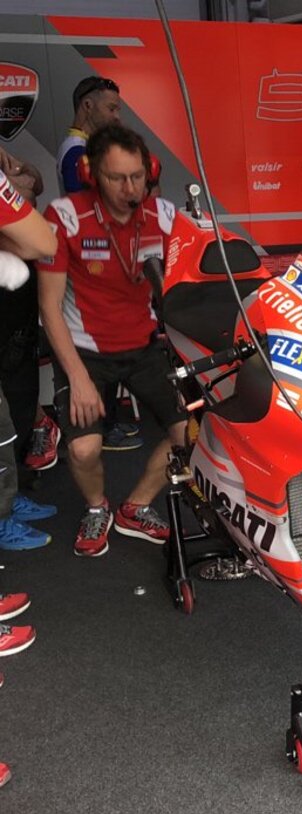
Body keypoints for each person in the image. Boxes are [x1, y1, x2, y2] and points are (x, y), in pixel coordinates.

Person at [37, 124, 188, 558]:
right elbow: (49, 307)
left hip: (143, 346)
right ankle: (97, 507)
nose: (130, 189)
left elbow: (192, 279)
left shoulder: (163, 216)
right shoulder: (64, 216)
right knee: (84, 449)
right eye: (116, 178)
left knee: (192, 434)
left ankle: (135, 507)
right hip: (84, 352)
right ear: (91, 174)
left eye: (137, 176)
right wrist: (78, 378)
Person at [56, 75, 141, 455]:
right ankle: (100, 427)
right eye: (112, 108)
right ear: (87, 106)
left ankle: (106, 421)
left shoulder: (87, 149)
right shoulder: (76, 151)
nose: (117, 116)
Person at [0, 152, 57, 552]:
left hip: (14, 320)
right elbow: (40, 239)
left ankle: (8, 499)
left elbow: (31, 182)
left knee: (15, 414)